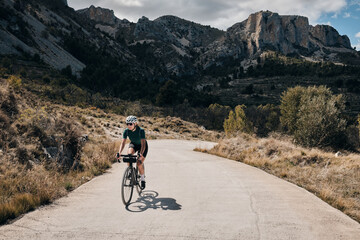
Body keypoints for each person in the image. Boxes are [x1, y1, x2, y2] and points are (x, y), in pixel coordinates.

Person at [117, 115, 148, 189]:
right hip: (133, 144)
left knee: (139, 162)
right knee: (129, 155)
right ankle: (130, 170)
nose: (129, 125)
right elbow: (123, 143)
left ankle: (143, 179)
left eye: (131, 124)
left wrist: (141, 154)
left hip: (142, 146)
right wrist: (119, 152)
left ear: (135, 124)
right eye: (127, 124)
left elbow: (143, 144)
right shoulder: (126, 131)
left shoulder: (141, 130)